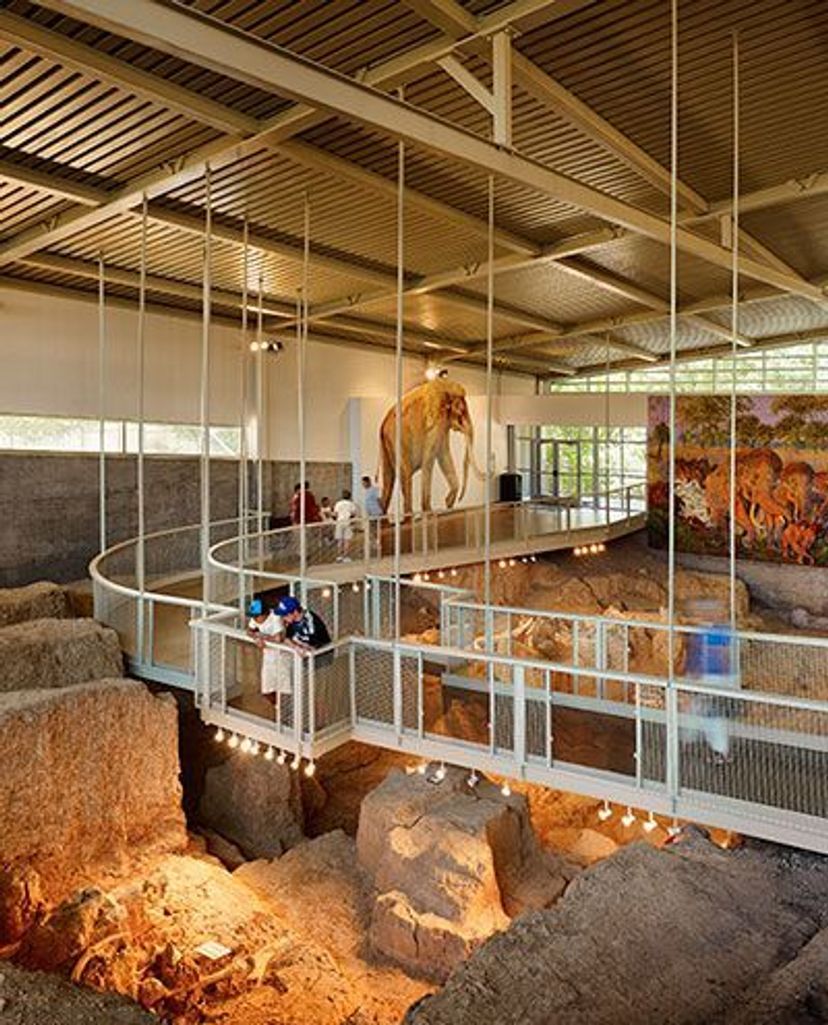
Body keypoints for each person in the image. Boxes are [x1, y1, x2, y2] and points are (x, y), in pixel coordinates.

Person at [682, 598, 738, 764]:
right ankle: (691, 744)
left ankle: (720, 752)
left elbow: (722, 656)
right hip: (707, 678)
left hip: (715, 679)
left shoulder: (720, 631)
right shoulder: (705, 630)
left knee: (713, 716)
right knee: (701, 712)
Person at [246, 598, 292, 710]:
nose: (254, 619)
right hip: (268, 655)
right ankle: (280, 708)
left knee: (285, 688)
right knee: (266, 689)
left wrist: (263, 637)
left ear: (264, 614)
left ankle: (288, 711)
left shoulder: (275, 617)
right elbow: (249, 631)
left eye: (257, 616)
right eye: (253, 616)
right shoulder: (255, 619)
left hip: (282, 655)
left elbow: (279, 638)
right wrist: (256, 637)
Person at [361, 475, 384, 557]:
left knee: (376, 529)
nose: (363, 485)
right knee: (371, 530)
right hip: (370, 514)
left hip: (376, 513)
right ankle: (374, 544)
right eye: (362, 483)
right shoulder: (366, 491)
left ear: (368, 482)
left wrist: (382, 510)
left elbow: (379, 500)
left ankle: (378, 545)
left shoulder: (374, 490)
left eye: (364, 483)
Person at [333, 488, 358, 562]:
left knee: (340, 540)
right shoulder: (351, 504)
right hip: (348, 522)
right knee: (347, 540)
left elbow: (335, 514)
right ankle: (346, 556)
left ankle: (339, 556)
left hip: (339, 522)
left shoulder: (338, 503)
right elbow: (353, 513)